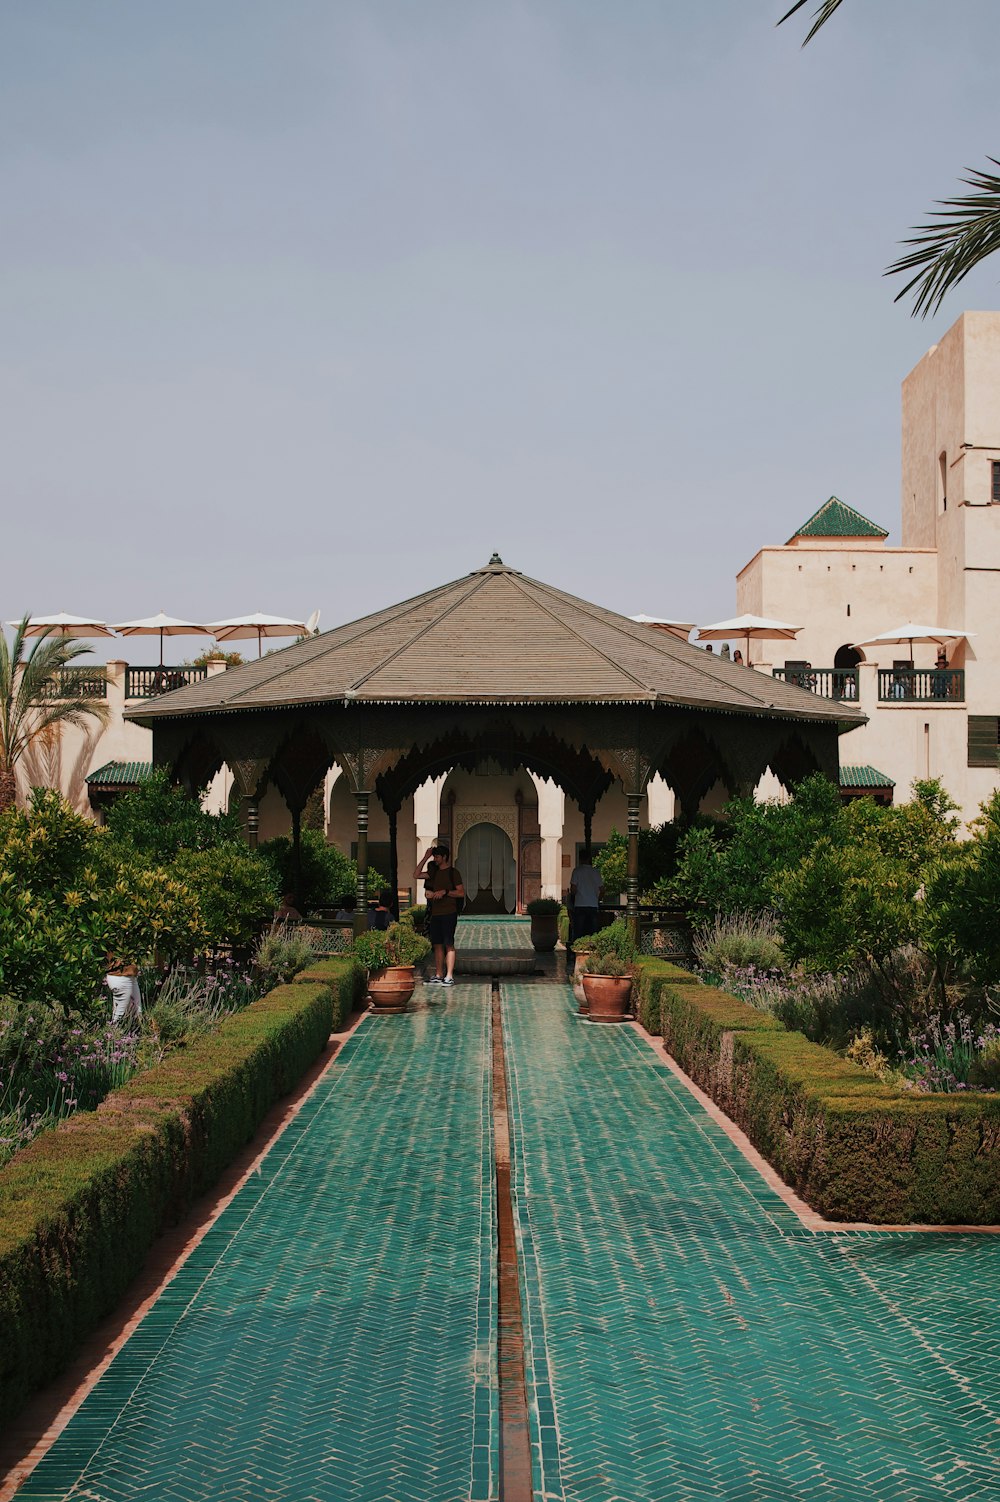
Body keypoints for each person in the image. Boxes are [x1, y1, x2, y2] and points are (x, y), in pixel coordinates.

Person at [415, 844, 464, 987]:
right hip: (435, 913)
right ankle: (438, 974)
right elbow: (416, 874)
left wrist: (445, 892)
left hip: (449, 913)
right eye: (434, 856)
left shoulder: (453, 873)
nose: (435, 859)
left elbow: (461, 892)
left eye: (437, 856)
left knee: (448, 944)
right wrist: (425, 857)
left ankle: (449, 976)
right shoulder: (434, 873)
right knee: (437, 944)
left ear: (445, 857)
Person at [568, 852, 604, 950]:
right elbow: (602, 889)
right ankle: (593, 950)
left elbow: (573, 889)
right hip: (592, 904)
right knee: (593, 931)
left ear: (580, 859)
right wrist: (597, 899)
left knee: (579, 931)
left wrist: (574, 896)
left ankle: (578, 950)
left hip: (580, 904)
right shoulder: (596, 872)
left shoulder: (577, 871)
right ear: (589, 859)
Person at [105, 953, 142, 1027]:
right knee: (120, 1014)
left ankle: (136, 1033)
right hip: (120, 977)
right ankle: (113, 1035)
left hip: (129, 976)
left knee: (137, 1010)